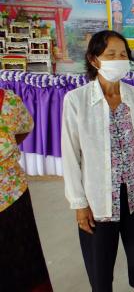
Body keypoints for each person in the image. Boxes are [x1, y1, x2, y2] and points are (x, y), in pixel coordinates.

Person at [62, 30, 134, 292]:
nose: (119, 59)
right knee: (100, 264)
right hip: (98, 199)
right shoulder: (76, 101)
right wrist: (79, 203)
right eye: (111, 54)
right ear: (94, 60)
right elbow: (71, 156)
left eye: (123, 54)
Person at [0, 88, 53, 292]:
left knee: (21, 262)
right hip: (11, 192)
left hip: (10, 195)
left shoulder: (7, 101)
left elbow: (23, 128)